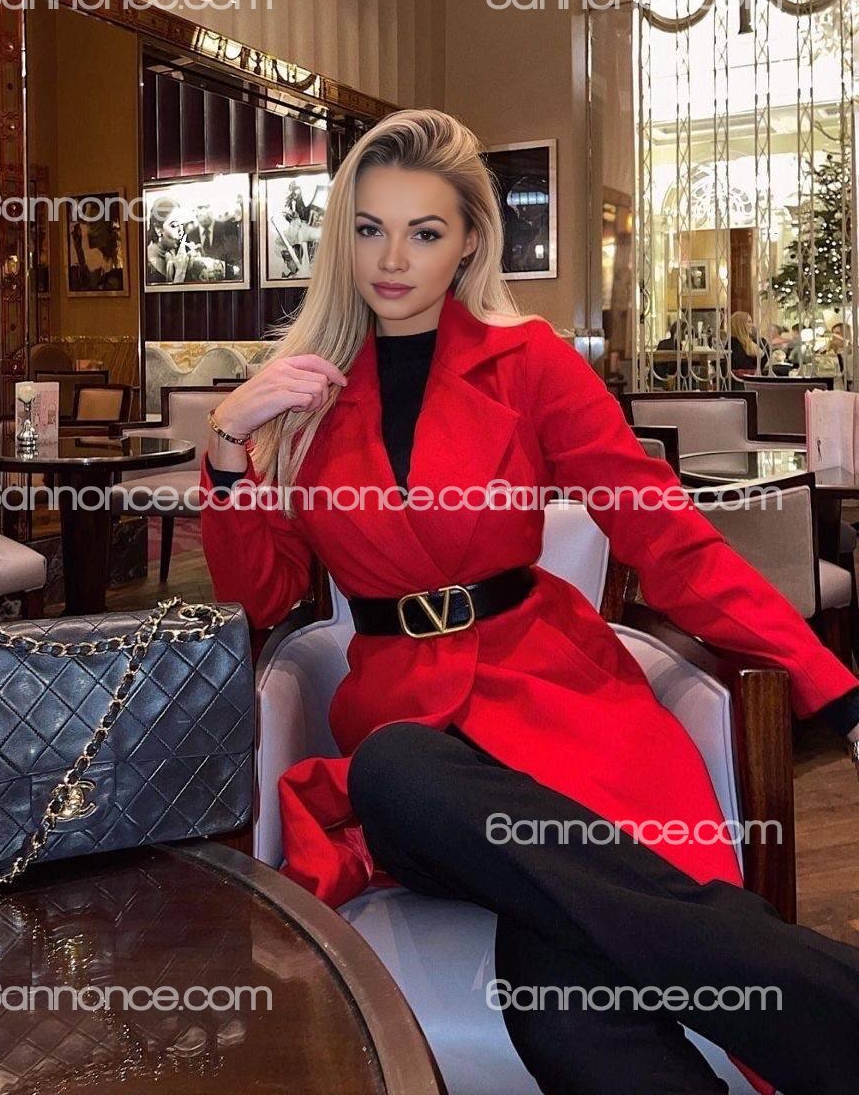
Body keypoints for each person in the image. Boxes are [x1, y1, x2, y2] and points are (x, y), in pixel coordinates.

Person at [199, 109, 859, 1095]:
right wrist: (226, 449)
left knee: (565, 1014)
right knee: (394, 767)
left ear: (469, 241)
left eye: (425, 231)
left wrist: (835, 690)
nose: (393, 259)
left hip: (559, 705)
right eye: (371, 229)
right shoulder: (307, 394)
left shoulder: (531, 364)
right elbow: (261, 595)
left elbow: (666, 536)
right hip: (413, 747)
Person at [729, 310, 770, 374]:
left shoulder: (750, 342)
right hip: (742, 378)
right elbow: (744, 365)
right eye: (749, 322)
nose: (752, 325)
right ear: (740, 325)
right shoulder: (733, 342)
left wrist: (760, 340)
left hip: (753, 376)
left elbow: (761, 363)